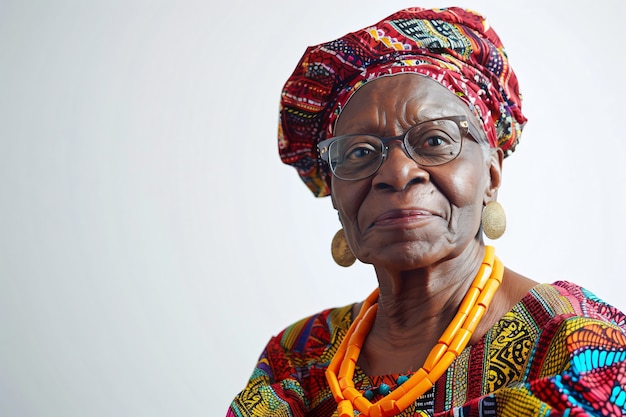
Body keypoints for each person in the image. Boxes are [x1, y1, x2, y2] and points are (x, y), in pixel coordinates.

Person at [227, 7, 626, 417]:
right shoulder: (297, 357)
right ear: (333, 191)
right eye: (360, 152)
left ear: (490, 174)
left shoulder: (574, 340)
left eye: (435, 141)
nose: (398, 174)